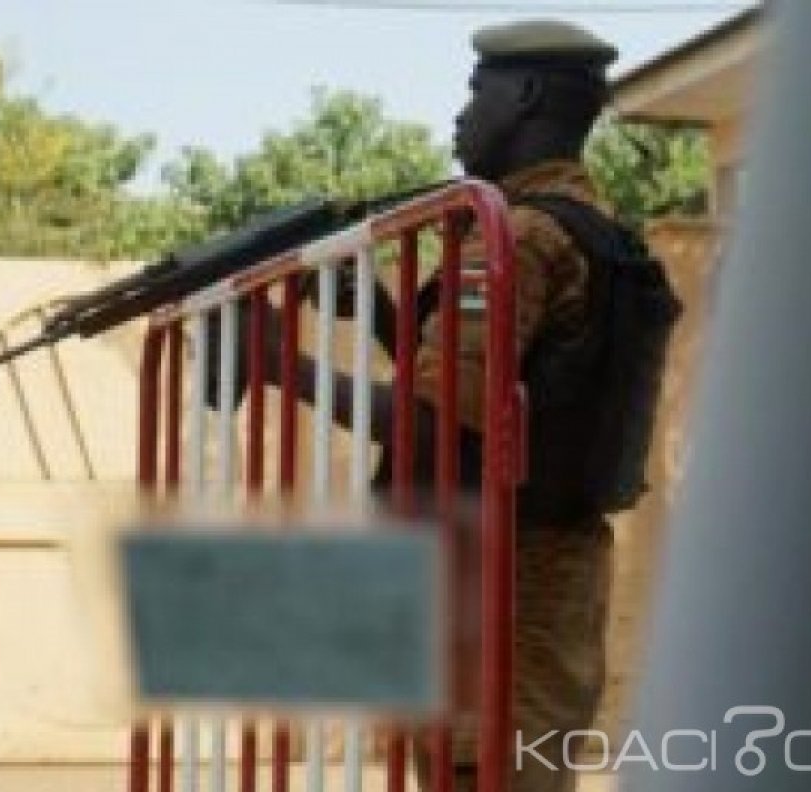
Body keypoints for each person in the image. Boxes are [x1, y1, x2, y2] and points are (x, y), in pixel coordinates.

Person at [209, 19, 638, 792]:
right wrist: (379, 314)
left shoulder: (516, 238)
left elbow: (433, 429)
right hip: (545, 579)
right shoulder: (594, 231)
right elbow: (503, 397)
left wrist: (281, 365)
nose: (460, 115)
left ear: (528, 97)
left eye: (479, 93)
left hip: (502, 595)